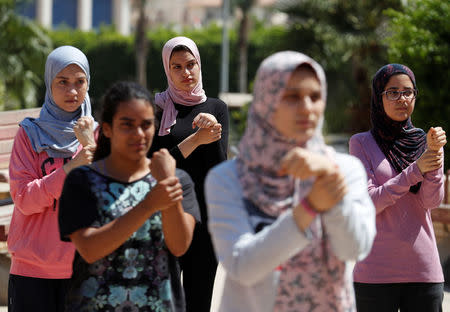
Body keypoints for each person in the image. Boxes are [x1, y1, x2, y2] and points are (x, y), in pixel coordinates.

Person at [205, 51, 376, 311]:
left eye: (315, 97)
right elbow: (242, 266)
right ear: (266, 100)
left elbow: (354, 249)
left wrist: (330, 184)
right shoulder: (228, 179)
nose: (307, 107)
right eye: (292, 96)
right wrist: (308, 209)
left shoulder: (344, 169)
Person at [58, 81, 200, 311]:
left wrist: (166, 184)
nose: (139, 134)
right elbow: (90, 249)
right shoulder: (82, 180)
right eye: (127, 125)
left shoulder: (177, 179)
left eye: (146, 125)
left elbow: (179, 246)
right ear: (106, 129)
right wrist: (147, 206)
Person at [350, 63, 446, 312]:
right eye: (392, 92)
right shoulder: (360, 144)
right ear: (378, 96)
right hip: (374, 272)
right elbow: (370, 201)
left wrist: (434, 156)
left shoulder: (427, 143)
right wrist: (416, 170)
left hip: (423, 270)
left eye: (408, 92)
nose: (401, 99)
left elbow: (431, 202)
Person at [7, 45, 96, 312]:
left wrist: (90, 146)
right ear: (49, 82)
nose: (72, 91)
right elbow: (24, 199)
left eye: (80, 82)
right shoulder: (29, 134)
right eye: (63, 82)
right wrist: (71, 168)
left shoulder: (98, 135)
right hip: (32, 270)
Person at [149, 36, 229, 311]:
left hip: (206, 221)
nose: (186, 73)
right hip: (166, 219)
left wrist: (214, 134)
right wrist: (196, 139)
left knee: (199, 301)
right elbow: (156, 167)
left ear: (199, 65)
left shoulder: (216, 108)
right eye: (177, 67)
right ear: (167, 70)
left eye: (191, 64)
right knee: (163, 303)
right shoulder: (157, 110)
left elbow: (219, 168)